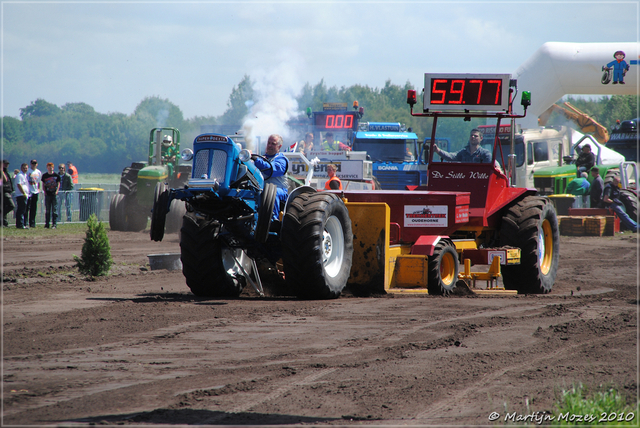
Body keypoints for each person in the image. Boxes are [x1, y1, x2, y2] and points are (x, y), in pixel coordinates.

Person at [252, 134, 289, 220]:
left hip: (279, 191)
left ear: (279, 146)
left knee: (272, 192)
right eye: (269, 143)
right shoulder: (262, 158)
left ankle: (272, 220)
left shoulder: (282, 159)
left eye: (273, 143)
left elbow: (271, 170)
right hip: (261, 189)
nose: (270, 145)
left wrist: (256, 160)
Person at [41, 162, 61, 229]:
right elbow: (43, 184)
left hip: (54, 194)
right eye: (49, 167)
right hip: (47, 194)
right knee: (48, 210)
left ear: (53, 168)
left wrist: (57, 191)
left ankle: (54, 224)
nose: (50, 168)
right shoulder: (44, 176)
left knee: (54, 210)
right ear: (47, 168)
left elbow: (58, 184)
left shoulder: (56, 175)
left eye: (51, 167)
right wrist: (44, 191)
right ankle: (47, 224)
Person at [27, 159, 42, 228]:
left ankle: (32, 223)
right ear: (31, 164)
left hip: (35, 191)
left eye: (35, 163)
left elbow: (39, 182)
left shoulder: (38, 172)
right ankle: (25, 222)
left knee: (34, 208)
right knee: (27, 208)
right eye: (33, 163)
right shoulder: (28, 171)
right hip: (29, 192)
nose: (34, 164)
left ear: (37, 164)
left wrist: (38, 189)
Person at [14, 163, 30, 229]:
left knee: (24, 210)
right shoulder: (19, 175)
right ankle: (20, 225)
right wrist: (23, 193)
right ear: (21, 168)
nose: (25, 169)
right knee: (21, 210)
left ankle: (23, 223)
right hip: (21, 195)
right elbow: (19, 185)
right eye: (24, 168)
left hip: (25, 195)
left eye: (26, 168)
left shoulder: (25, 175)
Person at [1, 160, 15, 226]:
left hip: (8, 190)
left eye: (7, 164)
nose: (6, 165)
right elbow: (5, 179)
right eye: (5, 164)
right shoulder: (2, 171)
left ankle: (4, 223)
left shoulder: (6, 171)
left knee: (4, 206)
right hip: (3, 191)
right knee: (11, 205)